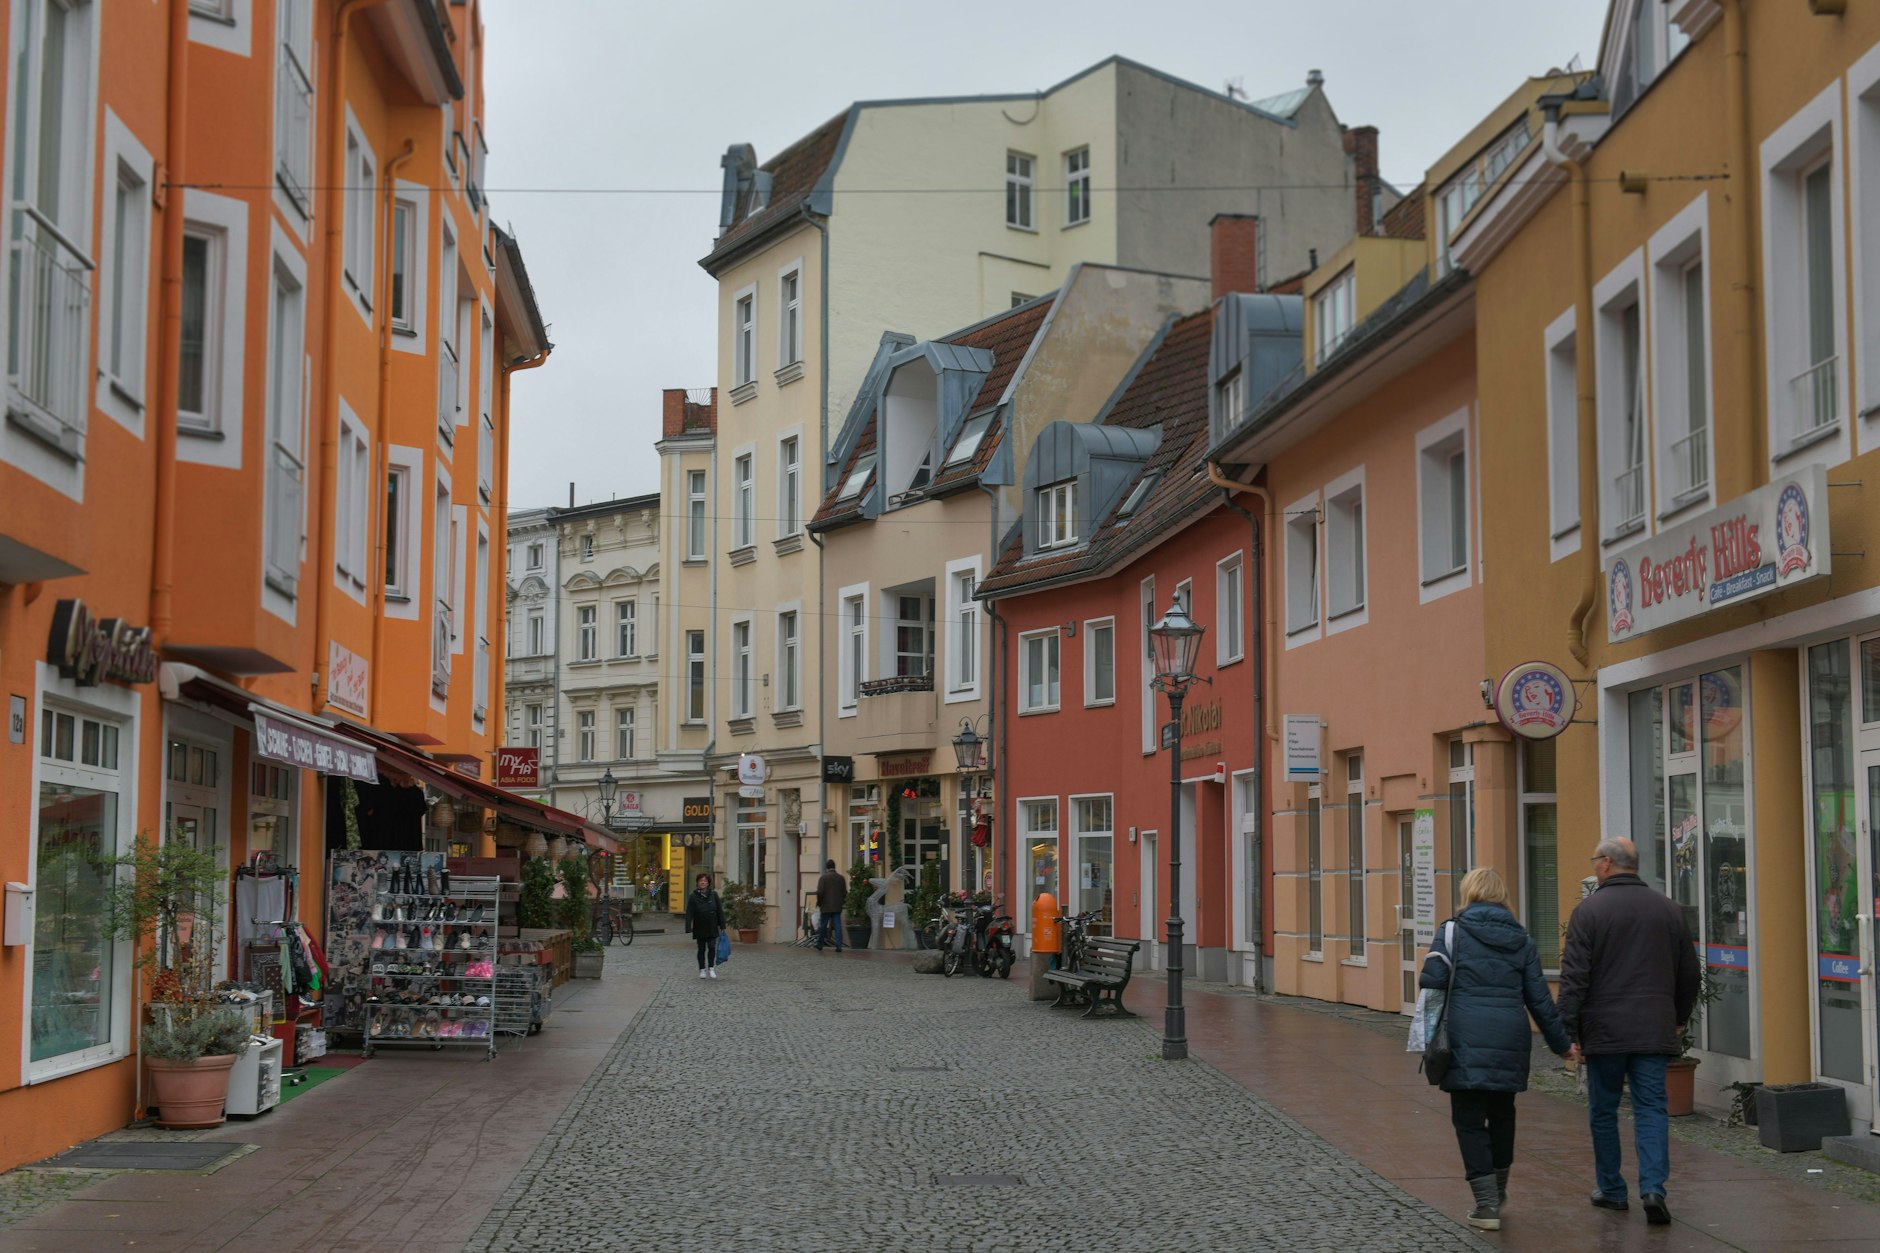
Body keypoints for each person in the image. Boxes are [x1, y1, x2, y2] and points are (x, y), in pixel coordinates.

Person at [1421, 866, 1575, 1232]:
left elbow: (1432, 982)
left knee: (1469, 1118)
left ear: (1469, 893)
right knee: (1503, 1113)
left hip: (1463, 1037)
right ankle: (1499, 1187)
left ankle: (1486, 1203)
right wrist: (1562, 1045)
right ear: (1502, 896)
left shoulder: (1452, 931)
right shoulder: (1522, 939)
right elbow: (1539, 999)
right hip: (1509, 1036)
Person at [1556, 836, 1700, 1227]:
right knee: (1651, 1107)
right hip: (1653, 1025)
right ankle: (1653, 1189)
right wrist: (1678, 1016)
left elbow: (1574, 977)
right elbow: (1690, 973)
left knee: (1603, 1109)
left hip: (1604, 1030)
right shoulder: (1669, 910)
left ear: (1605, 863)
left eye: (1594, 860)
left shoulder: (1589, 912)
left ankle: (1612, 1190)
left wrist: (1567, 1029)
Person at [686, 872, 726, 979]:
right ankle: (702, 969)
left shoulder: (714, 895)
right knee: (701, 948)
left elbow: (719, 910)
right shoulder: (693, 896)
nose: (703, 882)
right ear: (698, 883)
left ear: (708, 883)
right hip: (700, 926)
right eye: (701, 881)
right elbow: (689, 912)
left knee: (712, 947)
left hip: (712, 925)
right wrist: (688, 926)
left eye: (705, 881)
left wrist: (722, 925)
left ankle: (711, 968)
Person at [814, 859, 847, 953]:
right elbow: (844, 892)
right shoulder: (841, 878)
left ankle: (820, 944)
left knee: (823, 925)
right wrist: (842, 901)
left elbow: (820, 892)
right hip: (837, 906)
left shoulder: (823, 878)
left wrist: (819, 903)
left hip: (826, 906)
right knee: (837, 925)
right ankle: (839, 945)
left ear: (827, 868)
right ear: (834, 867)